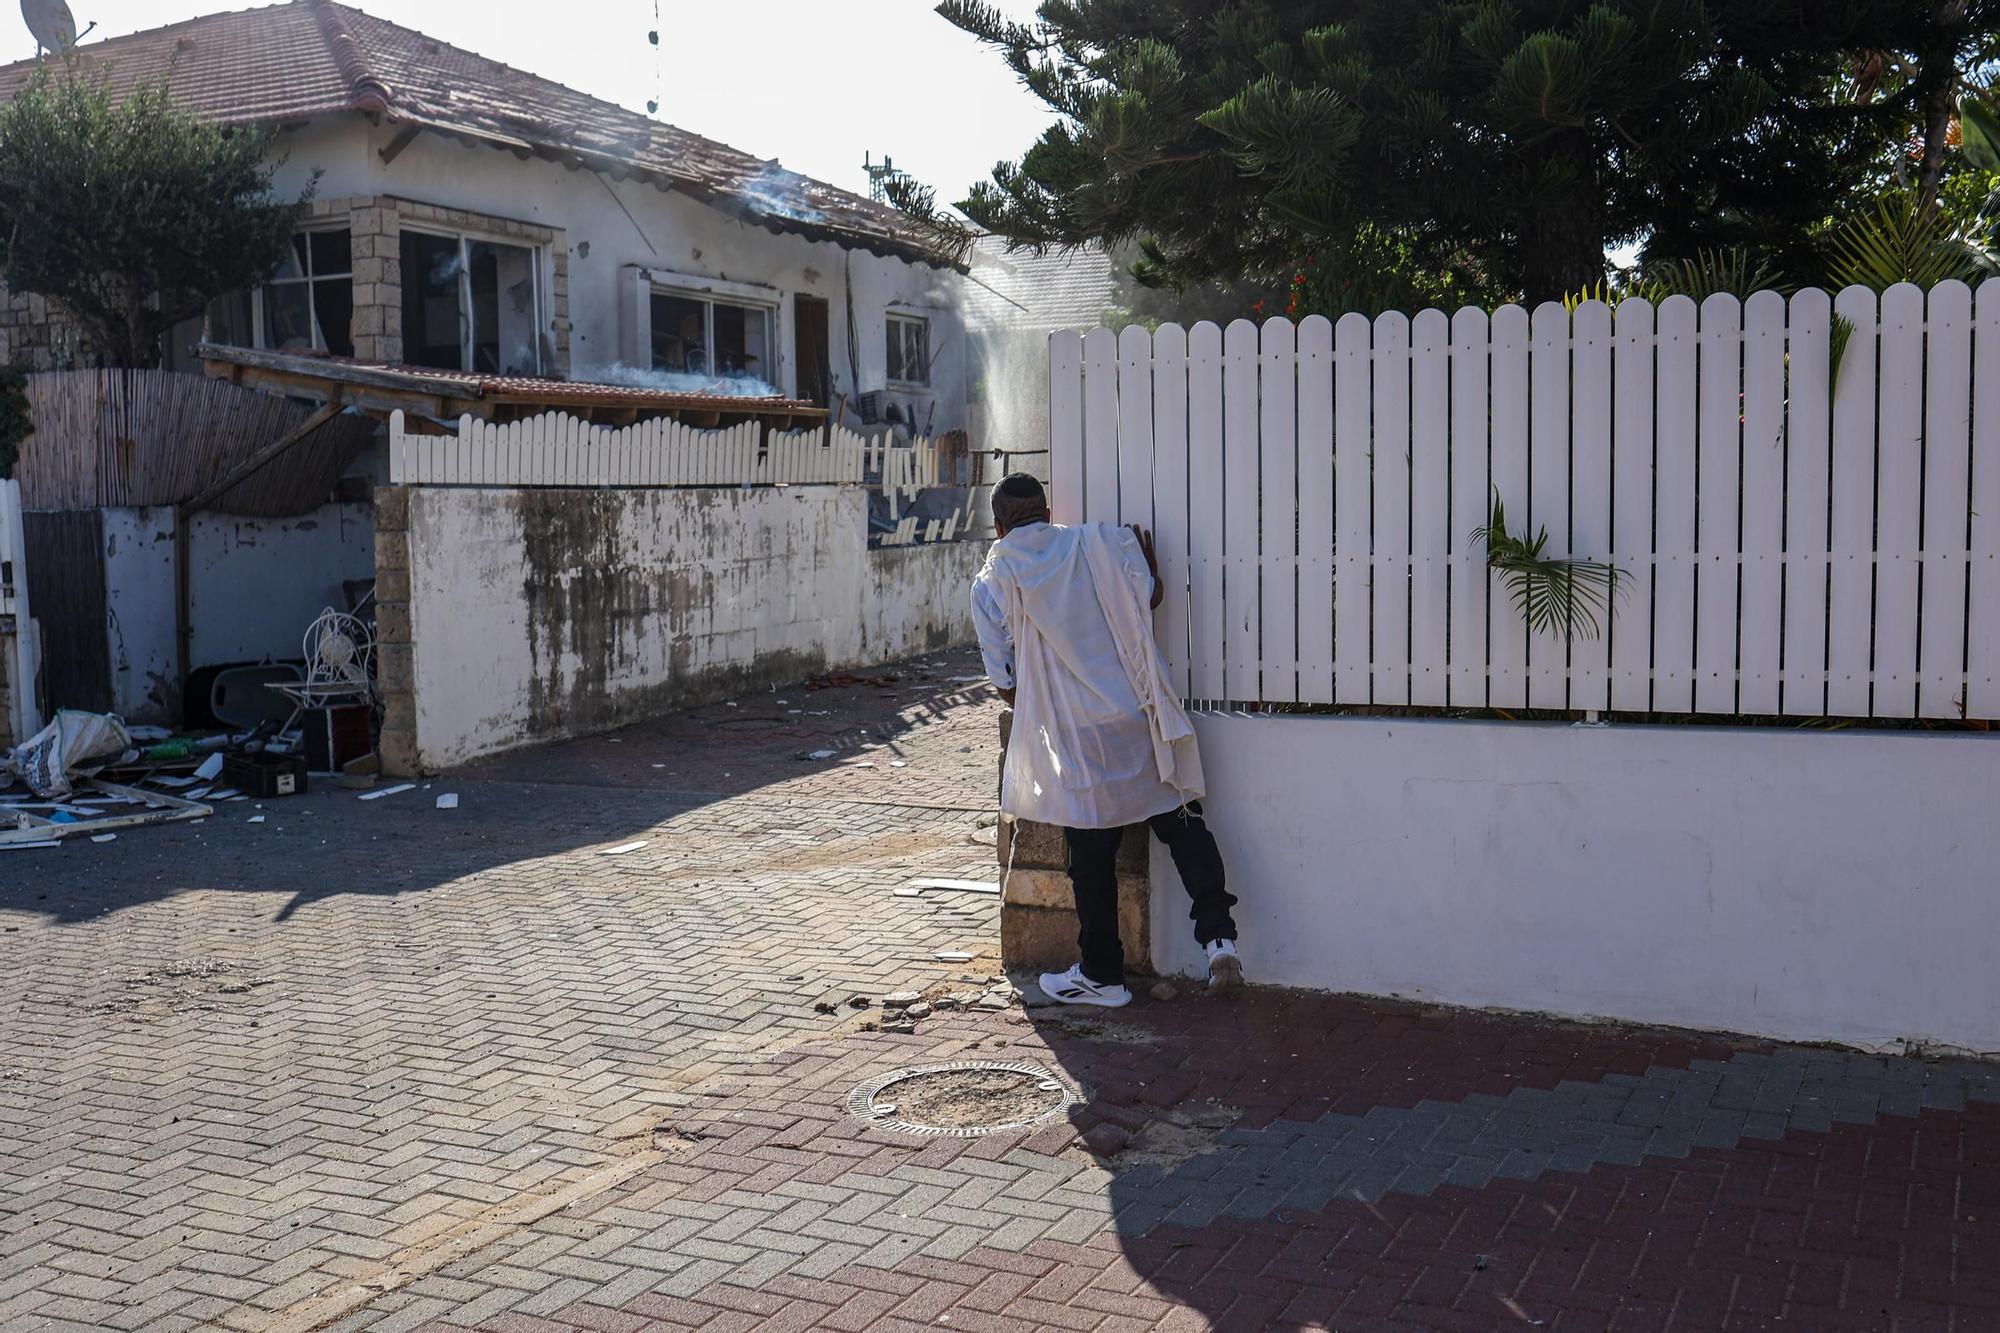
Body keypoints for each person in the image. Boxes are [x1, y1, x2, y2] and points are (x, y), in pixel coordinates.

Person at [971, 473, 1241, 1008]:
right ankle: (1219, 941)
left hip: (1078, 738)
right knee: (1183, 824)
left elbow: (1005, 682)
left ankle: (1102, 974)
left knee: (1090, 859)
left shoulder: (993, 579)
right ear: (1047, 513)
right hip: (1139, 715)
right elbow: (1148, 599)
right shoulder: (1099, 543)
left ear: (999, 526)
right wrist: (1154, 575)